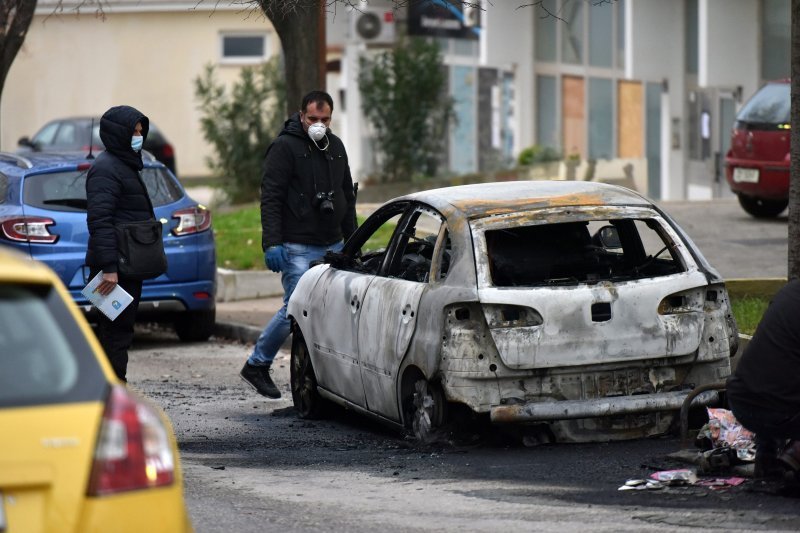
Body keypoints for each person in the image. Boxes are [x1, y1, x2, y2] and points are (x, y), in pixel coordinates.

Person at [240, 90, 357, 398]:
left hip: (333, 243)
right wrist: (272, 242)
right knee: (296, 308)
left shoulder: (336, 147)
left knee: (328, 311)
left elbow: (347, 195)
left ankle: (322, 379)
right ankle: (257, 363)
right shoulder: (284, 147)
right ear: (301, 115)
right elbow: (272, 198)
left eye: (325, 119)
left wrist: (354, 241)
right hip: (297, 245)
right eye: (313, 118)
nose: (318, 124)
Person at [86, 105, 153, 382]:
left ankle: (110, 387)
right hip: (115, 271)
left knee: (119, 330)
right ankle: (113, 389)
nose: (139, 136)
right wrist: (109, 268)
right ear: (119, 134)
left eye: (140, 131)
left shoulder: (124, 164)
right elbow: (100, 221)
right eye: (134, 131)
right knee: (114, 331)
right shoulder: (106, 169)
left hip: (127, 265)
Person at [727, 279, 800, 478]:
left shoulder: (789, 292)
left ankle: (767, 459)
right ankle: (794, 456)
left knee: (776, 377)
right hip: (778, 412)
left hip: (742, 401)